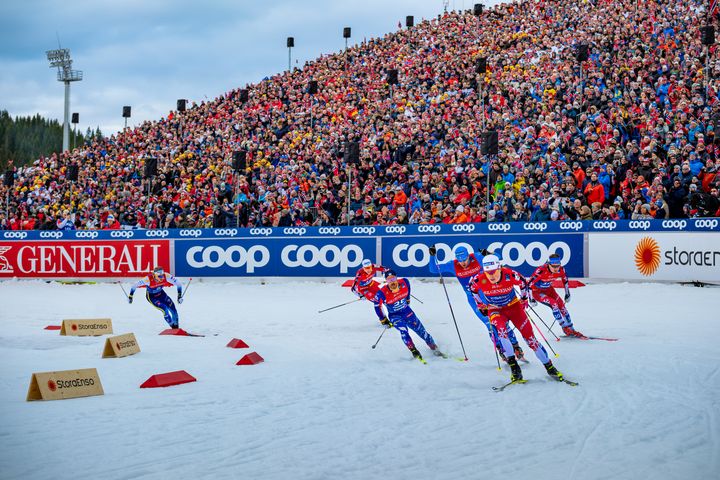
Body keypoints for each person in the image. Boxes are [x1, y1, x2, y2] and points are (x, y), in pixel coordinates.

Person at [469, 255, 563, 383]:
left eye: (494, 272)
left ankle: (550, 367)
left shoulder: (510, 274)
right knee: (502, 332)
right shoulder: (479, 279)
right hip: (495, 310)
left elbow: (524, 282)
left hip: (514, 308)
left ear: (500, 268)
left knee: (531, 340)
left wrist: (524, 299)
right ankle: (515, 368)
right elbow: (472, 289)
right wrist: (480, 305)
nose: (491, 276)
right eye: (488, 273)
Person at [428, 244, 523, 361]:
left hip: (488, 295)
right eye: (460, 260)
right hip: (473, 298)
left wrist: (488, 254)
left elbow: (497, 257)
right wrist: (432, 256)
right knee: (489, 324)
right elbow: (433, 269)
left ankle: (515, 345)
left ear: (468, 256)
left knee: (501, 322)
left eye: (465, 260)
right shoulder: (453, 265)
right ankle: (501, 349)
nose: (463, 263)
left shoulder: (477, 257)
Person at [374, 270, 442, 363]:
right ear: (386, 281)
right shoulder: (382, 293)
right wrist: (383, 319)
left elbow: (408, 288)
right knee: (403, 330)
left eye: (393, 278)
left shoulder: (405, 282)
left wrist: (408, 299)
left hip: (408, 312)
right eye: (389, 280)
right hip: (395, 316)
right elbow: (377, 306)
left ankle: (434, 348)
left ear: (396, 278)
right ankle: (414, 351)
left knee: (421, 331)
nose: (392, 282)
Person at [526, 254, 584, 338]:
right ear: (549, 264)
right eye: (554, 266)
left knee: (562, 306)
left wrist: (567, 293)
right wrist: (531, 299)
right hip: (537, 292)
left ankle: (572, 329)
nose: (556, 268)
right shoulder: (541, 270)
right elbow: (529, 284)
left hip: (549, 290)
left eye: (558, 266)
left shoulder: (561, 269)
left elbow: (565, 280)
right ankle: (565, 328)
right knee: (554, 304)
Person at [351, 259, 390, 326]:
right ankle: (383, 320)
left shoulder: (374, 266)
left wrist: (389, 275)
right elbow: (353, 288)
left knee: (385, 298)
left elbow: (386, 269)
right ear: (363, 268)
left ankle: (395, 315)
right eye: (366, 268)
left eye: (369, 267)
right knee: (377, 301)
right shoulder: (360, 274)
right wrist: (360, 295)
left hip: (372, 285)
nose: (368, 270)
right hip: (364, 289)